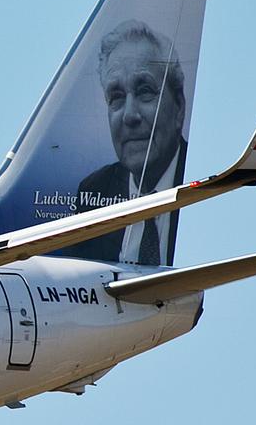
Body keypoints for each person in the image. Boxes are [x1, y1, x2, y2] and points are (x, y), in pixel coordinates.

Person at [63, 19, 189, 265]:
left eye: (145, 91)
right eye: (117, 97)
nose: (130, 115)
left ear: (179, 108)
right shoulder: (95, 190)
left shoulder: (196, 178)